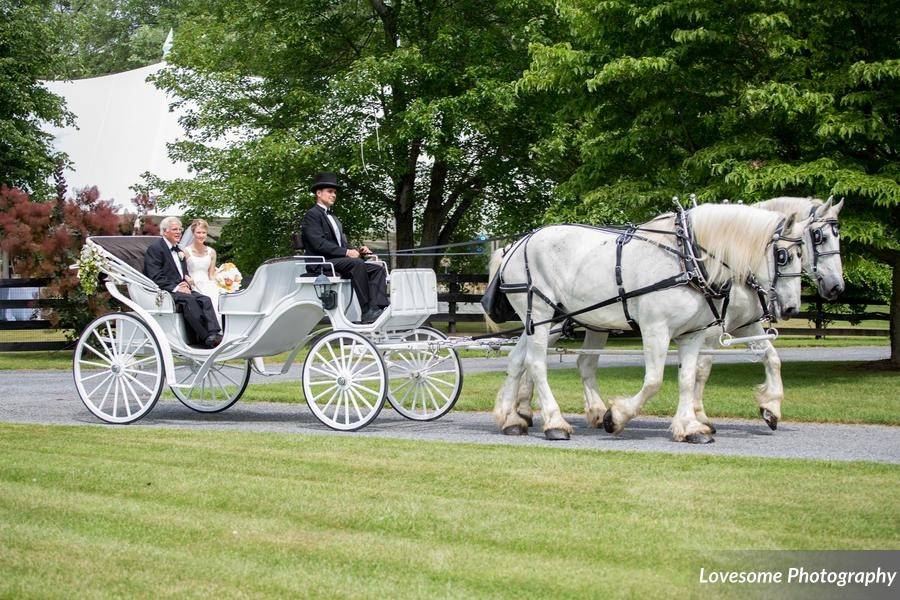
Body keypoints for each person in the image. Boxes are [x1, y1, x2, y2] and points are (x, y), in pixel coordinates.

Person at [300, 172, 388, 324]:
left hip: (337, 261)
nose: (333, 195)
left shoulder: (334, 218)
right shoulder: (312, 215)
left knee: (377, 268)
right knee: (357, 264)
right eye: (330, 191)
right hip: (322, 264)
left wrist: (358, 251)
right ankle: (367, 310)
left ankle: (379, 308)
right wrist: (347, 252)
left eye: (334, 192)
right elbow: (318, 244)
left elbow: (341, 244)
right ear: (319, 193)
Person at [143, 217, 222, 347]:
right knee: (189, 300)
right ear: (164, 232)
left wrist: (185, 282)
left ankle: (215, 333)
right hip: (165, 290)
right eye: (175, 229)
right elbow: (155, 276)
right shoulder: (156, 249)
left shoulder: (179, 250)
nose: (179, 232)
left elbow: (183, 273)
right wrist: (177, 287)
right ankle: (206, 337)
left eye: (180, 229)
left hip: (182, 287)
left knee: (205, 299)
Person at [182, 218, 221, 324]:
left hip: (208, 283)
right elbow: (182, 272)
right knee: (206, 298)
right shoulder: (186, 252)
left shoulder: (211, 252)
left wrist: (221, 283)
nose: (201, 235)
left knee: (217, 295)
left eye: (204, 233)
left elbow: (211, 274)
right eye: (198, 232)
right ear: (193, 233)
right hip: (193, 283)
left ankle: (219, 330)